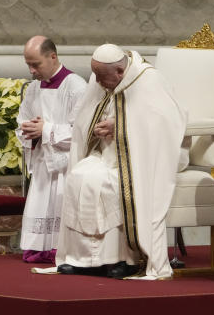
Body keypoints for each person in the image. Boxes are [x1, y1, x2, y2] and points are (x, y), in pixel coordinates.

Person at [55, 44, 186, 280]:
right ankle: (84, 259)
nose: (99, 83)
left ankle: (124, 259)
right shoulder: (104, 79)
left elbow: (168, 124)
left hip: (142, 158)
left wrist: (120, 125)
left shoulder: (149, 80)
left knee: (105, 184)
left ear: (119, 72)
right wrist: (95, 128)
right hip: (107, 154)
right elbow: (87, 114)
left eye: (103, 78)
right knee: (79, 176)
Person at [16, 36, 86, 265]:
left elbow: (82, 131)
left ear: (53, 56)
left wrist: (45, 129)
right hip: (43, 161)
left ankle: (60, 248)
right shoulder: (34, 88)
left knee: (60, 203)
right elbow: (22, 120)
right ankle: (39, 248)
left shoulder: (76, 86)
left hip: (65, 164)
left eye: (36, 64)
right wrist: (28, 131)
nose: (32, 70)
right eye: (28, 64)